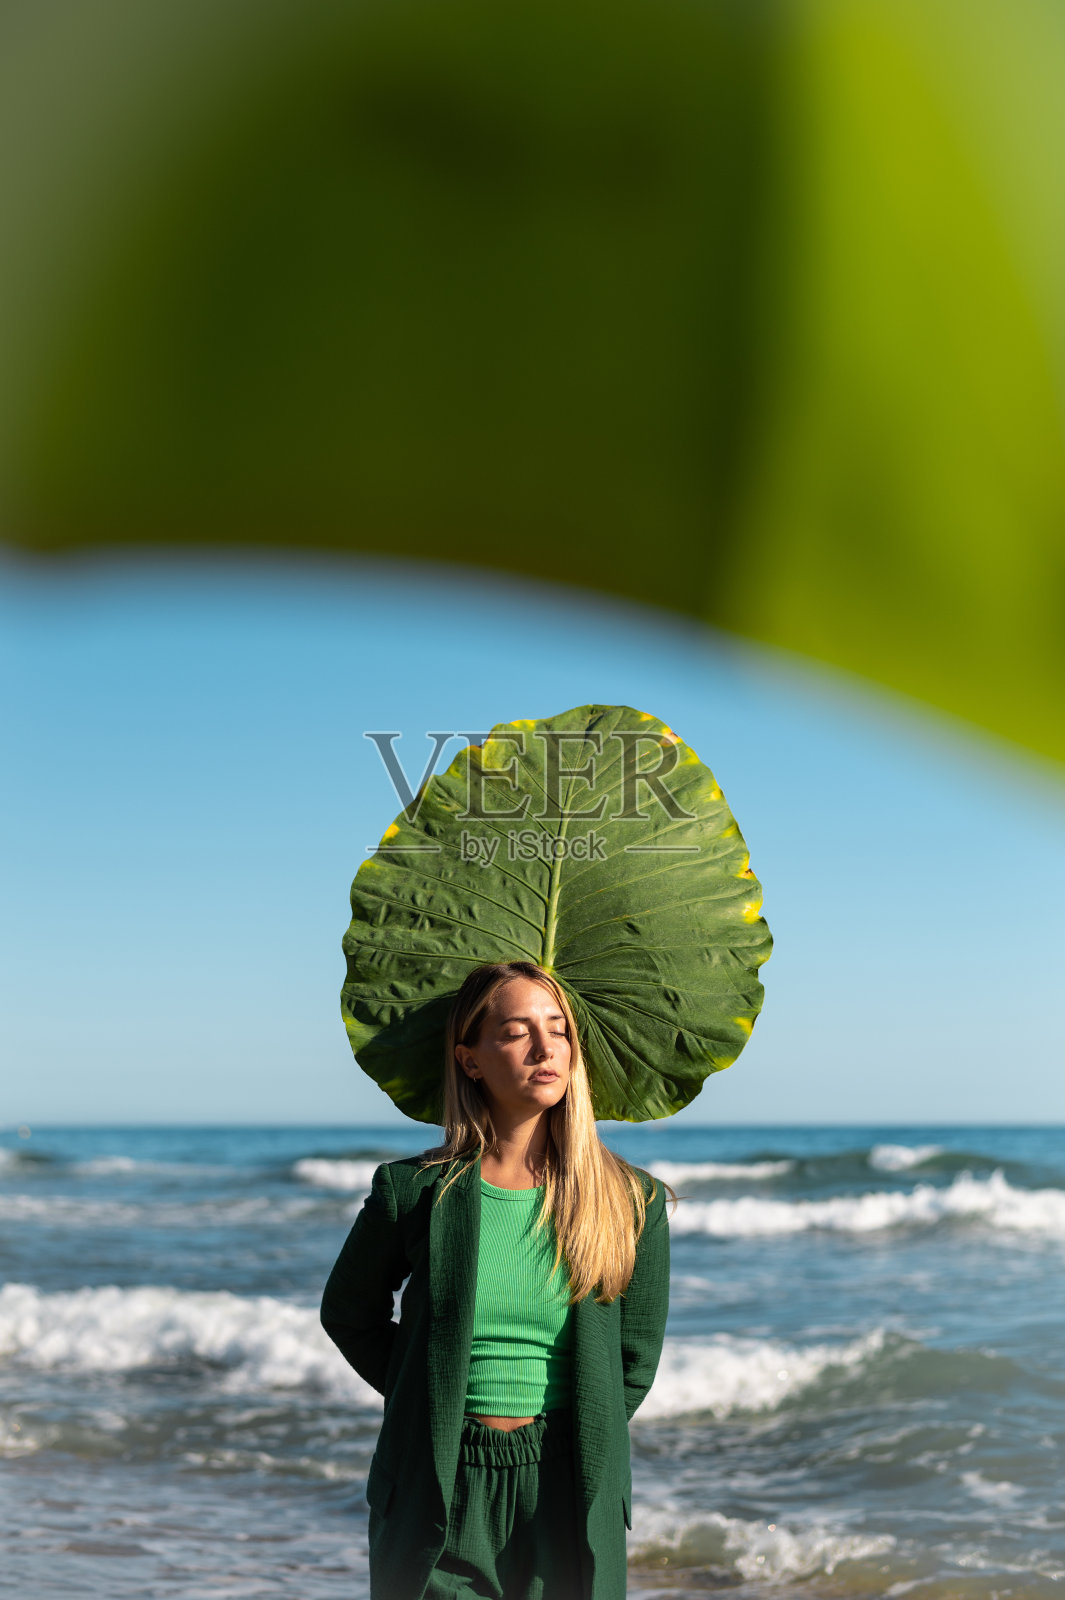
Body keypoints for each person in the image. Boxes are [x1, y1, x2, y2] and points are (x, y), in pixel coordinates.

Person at [320, 958, 673, 1600]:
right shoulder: (414, 1190)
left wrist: (571, 1434)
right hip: (437, 1479)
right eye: (516, 1032)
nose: (546, 1048)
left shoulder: (629, 1200)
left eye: (559, 1029)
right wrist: (427, 1399)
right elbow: (350, 1315)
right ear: (470, 1059)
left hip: (569, 1485)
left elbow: (634, 1359)